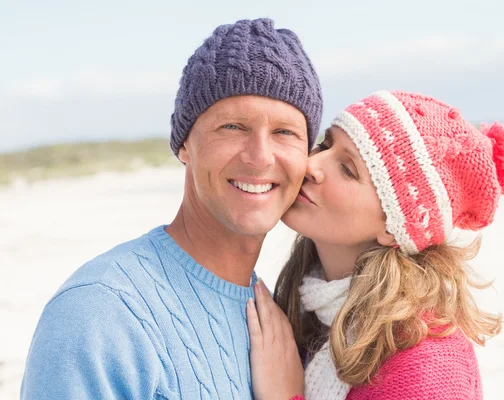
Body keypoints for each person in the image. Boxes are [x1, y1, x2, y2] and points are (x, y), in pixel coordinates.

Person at [21, 18, 322, 399]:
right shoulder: (100, 313)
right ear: (184, 145)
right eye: (232, 126)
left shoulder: (279, 319)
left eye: (285, 132)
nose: (260, 157)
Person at [248, 90, 504, 400]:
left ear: (394, 227)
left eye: (347, 169)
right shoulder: (310, 307)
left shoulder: (427, 366)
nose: (312, 165)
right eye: (325, 145)